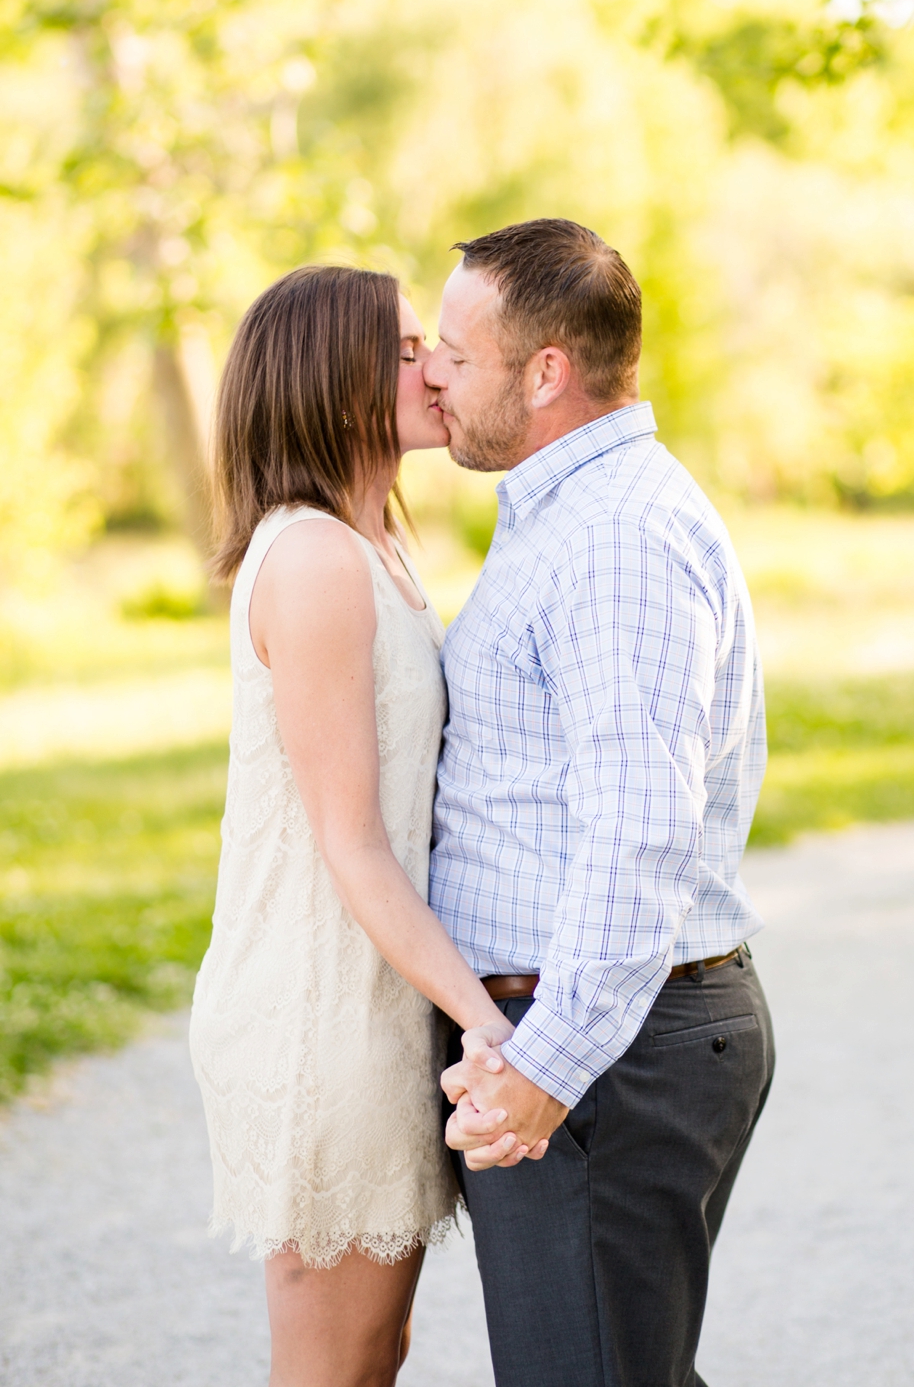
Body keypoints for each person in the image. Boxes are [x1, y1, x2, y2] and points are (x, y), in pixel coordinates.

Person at [426, 218, 775, 1387]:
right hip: (587, 1044)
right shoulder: (567, 512)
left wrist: (544, 1067)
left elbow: (639, 834)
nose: (430, 373)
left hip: (602, 1056)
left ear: (544, 373)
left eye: (454, 356)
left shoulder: (614, 537)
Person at [189, 264, 540, 1387]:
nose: (433, 365)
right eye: (401, 349)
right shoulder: (312, 560)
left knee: (372, 1353)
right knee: (334, 1365)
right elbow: (352, 840)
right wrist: (495, 1029)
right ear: (333, 382)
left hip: (378, 996)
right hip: (316, 1011)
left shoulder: (377, 546)